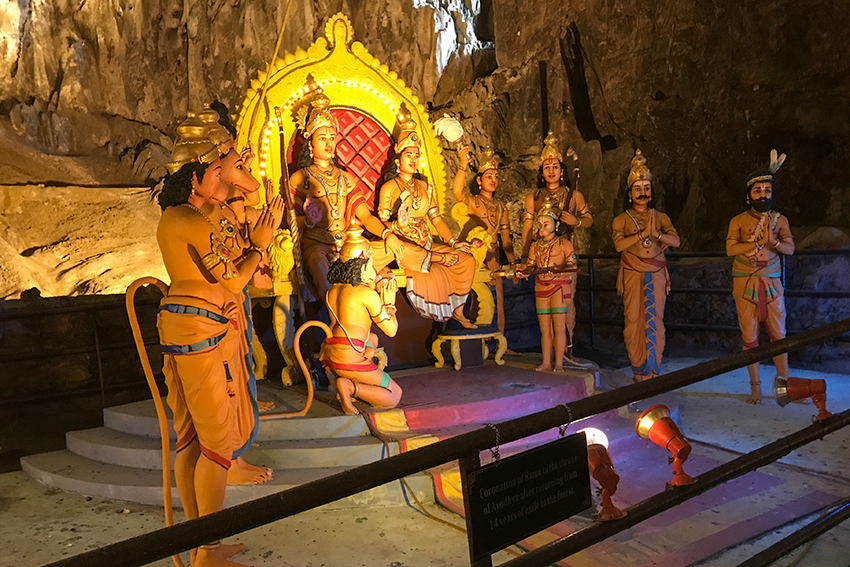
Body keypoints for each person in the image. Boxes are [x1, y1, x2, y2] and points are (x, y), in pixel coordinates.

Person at [156, 112, 283, 567]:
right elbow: (232, 281)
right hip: (200, 330)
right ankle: (205, 553)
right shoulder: (185, 219)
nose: (222, 178)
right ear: (194, 178)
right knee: (212, 444)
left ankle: (202, 541)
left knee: (193, 439)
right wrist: (261, 245)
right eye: (214, 172)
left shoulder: (187, 214)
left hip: (202, 325)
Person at [199, 103, 277, 486]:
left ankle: (233, 452)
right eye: (220, 167)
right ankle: (227, 459)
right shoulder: (201, 217)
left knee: (237, 371)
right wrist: (258, 248)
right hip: (216, 307)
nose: (228, 171)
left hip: (230, 299)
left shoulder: (218, 212)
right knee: (227, 381)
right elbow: (229, 274)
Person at [288, 80, 404, 301]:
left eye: (332, 138)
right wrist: (309, 222)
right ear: (310, 145)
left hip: (349, 244)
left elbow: (365, 216)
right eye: (322, 138)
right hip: (318, 244)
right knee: (320, 266)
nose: (329, 143)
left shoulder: (346, 178)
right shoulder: (300, 179)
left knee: (392, 251)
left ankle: (372, 309)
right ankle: (336, 316)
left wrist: (387, 234)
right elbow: (290, 220)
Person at [378, 112, 477, 328]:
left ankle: (459, 312)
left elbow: (436, 219)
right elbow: (381, 223)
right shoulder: (389, 188)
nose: (413, 159)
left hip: (427, 244)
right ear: (397, 160)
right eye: (408, 155)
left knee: (466, 259)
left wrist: (452, 243)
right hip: (404, 245)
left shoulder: (424, 187)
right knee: (416, 254)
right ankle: (434, 259)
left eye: (416, 155)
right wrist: (397, 226)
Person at [726, 150, 795, 404]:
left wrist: (773, 242)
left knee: (779, 333)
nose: (762, 194)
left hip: (772, 282)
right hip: (745, 281)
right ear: (749, 195)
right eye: (757, 191)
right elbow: (730, 249)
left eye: (767, 190)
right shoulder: (738, 221)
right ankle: (755, 387)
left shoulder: (780, 220)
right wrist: (753, 245)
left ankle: (785, 387)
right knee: (750, 335)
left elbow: (790, 248)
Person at [318, 224, 403, 415]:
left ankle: (348, 381)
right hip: (349, 358)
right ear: (361, 265)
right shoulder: (365, 294)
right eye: (371, 263)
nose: (374, 268)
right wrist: (390, 304)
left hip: (332, 355)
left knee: (372, 338)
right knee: (394, 395)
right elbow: (391, 330)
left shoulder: (333, 290)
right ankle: (349, 387)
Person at [520, 131, 591, 357]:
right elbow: (528, 229)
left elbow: (589, 220)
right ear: (542, 172)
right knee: (544, 309)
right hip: (541, 256)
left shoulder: (573, 196)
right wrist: (524, 258)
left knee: (566, 307)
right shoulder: (534, 197)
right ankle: (549, 354)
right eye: (546, 167)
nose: (551, 171)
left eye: (555, 167)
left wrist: (576, 220)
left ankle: (566, 351)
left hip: (565, 253)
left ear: (562, 170)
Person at [612, 150, 680, 382]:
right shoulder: (621, 219)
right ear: (630, 193)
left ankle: (654, 371)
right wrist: (643, 234)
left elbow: (676, 241)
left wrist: (657, 234)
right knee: (633, 321)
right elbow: (620, 245)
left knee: (655, 319)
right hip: (632, 273)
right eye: (638, 189)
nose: (643, 193)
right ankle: (639, 370)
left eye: (646, 188)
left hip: (657, 272)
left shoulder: (660, 217)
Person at [451, 145, 515, 333]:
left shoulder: (501, 207)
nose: (493, 180)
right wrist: (463, 164)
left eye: (496, 176)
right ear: (479, 180)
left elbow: (506, 240)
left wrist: (513, 263)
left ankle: (498, 337)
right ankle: (474, 337)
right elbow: (457, 192)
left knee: (498, 300)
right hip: (474, 256)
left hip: (493, 257)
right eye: (489, 176)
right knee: (475, 296)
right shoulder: (474, 202)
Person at [517, 203, 577, 372]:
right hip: (541, 288)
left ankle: (558, 362)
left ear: (556, 225)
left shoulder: (564, 245)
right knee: (544, 328)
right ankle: (545, 361)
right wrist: (524, 272)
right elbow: (530, 265)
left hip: (558, 288)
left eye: (546, 224)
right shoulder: (535, 246)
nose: (541, 227)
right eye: (540, 224)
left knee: (559, 326)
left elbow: (572, 266)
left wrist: (557, 271)